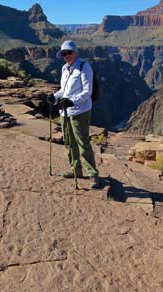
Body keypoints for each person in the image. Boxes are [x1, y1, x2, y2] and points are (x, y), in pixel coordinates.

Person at [47, 40, 100, 189]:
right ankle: (75, 170)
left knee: (83, 143)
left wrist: (72, 101)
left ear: (75, 52)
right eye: (64, 54)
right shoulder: (65, 68)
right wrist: (55, 96)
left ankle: (93, 174)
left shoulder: (84, 67)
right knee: (69, 142)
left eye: (69, 53)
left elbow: (87, 92)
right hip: (65, 111)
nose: (67, 56)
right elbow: (63, 90)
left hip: (80, 111)